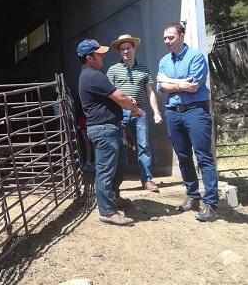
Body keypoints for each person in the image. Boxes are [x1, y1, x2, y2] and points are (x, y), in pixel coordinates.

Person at [156, 23, 219, 222]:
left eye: (171, 37)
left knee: (204, 157)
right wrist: (178, 84)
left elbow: (193, 85)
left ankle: (210, 203)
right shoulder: (164, 61)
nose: (167, 41)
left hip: (196, 112)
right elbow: (160, 87)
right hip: (173, 113)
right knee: (183, 157)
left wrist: (170, 82)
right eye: (165, 38)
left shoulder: (196, 57)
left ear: (181, 36)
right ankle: (193, 196)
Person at [77, 38, 143, 226]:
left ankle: (113, 197)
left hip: (109, 128)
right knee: (106, 171)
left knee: (120, 163)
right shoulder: (93, 76)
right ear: (89, 57)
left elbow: (115, 97)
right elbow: (120, 97)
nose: (103, 56)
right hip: (104, 129)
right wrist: (135, 109)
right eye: (99, 54)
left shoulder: (91, 75)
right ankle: (107, 211)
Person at [107, 34, 162, 192]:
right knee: (118, 147)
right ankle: (115, 184)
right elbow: (108, 93)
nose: (125, 51)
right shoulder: (113, 70)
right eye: (122, 49)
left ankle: (147, 180)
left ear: (134, 48)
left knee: (143, 146)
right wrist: (122, 101)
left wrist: (156, 111)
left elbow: (150, 92)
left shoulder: (143, 69)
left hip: (139, 111)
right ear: (119, 51)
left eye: (128, 48)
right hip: (119, 113)